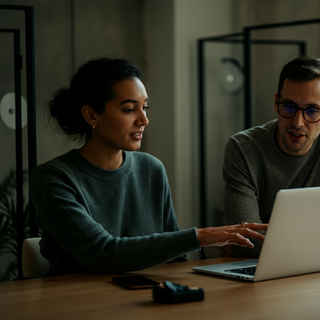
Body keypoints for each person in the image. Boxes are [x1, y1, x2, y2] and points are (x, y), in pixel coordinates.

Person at [30, 57, 267, 276]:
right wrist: (200, 236)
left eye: (145, 107)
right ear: (92, 115)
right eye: (130, 109)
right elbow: (102, 253)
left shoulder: (151, 168)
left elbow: (175, 260)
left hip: (147, 298)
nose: (144, 120)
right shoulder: (52, 179)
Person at [223, 55, 320, 258]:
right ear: (276, 103)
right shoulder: (243, 148)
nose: (298, 122)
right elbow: (246, 239)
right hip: (260, 274)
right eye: (289, 107)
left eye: (312, 111)